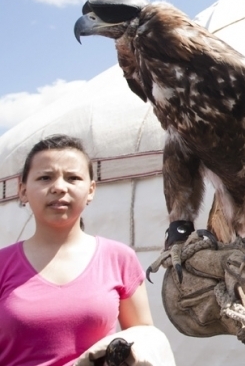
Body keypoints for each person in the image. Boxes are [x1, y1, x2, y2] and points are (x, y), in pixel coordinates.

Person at [0, 134, 154, 366]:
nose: (59, 188)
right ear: (22, 190)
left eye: (73, 178)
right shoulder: (3, 264)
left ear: (91, 190)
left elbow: (143, 338)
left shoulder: (119, 259)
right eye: (45, 177)